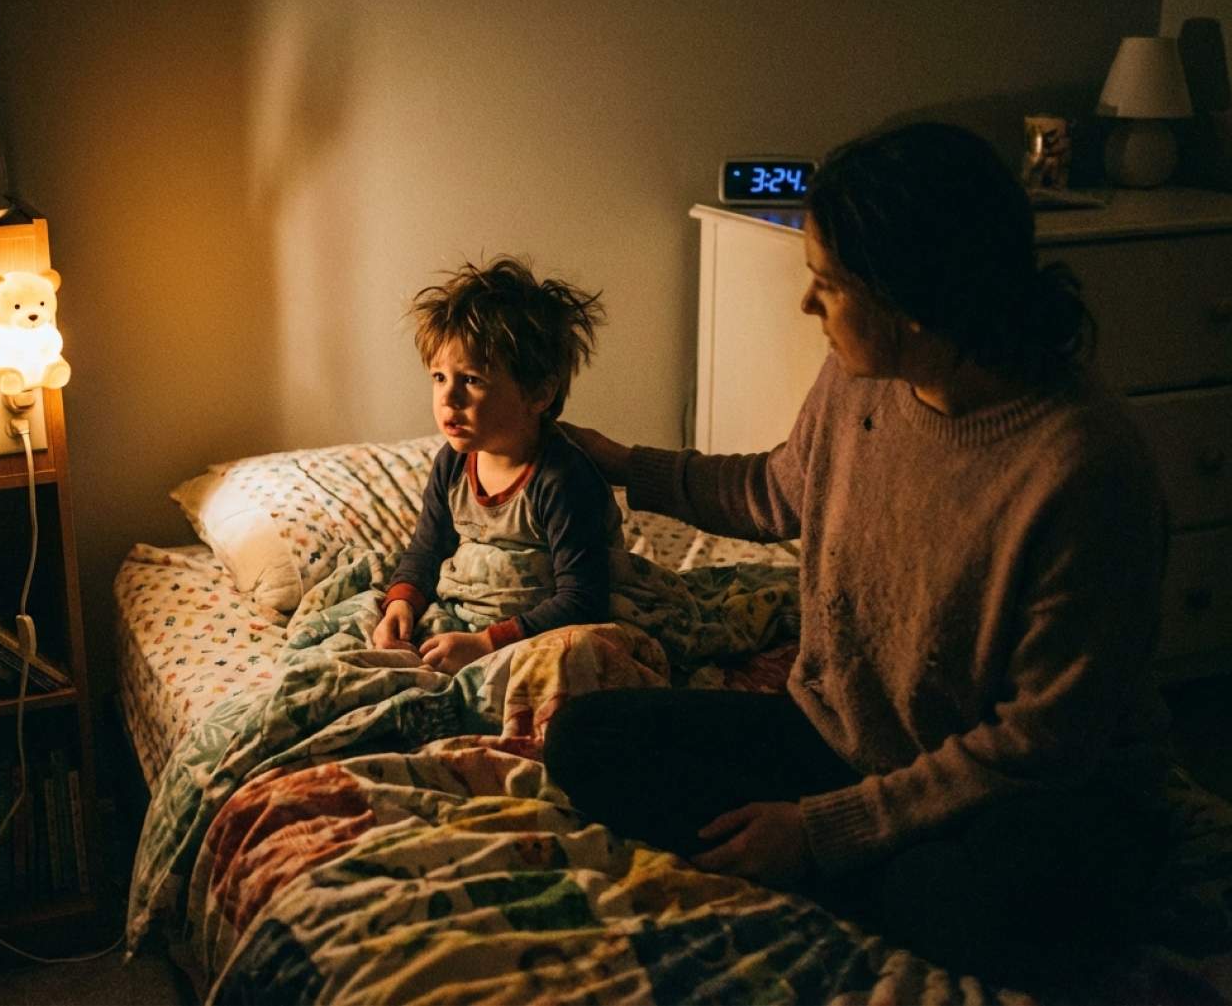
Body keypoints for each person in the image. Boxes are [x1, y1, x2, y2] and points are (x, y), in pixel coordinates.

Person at [545, 121, 1171, 984]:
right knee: (585, 739)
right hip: (843, 737)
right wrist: (626, 466)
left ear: (912, 301)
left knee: (977, 897)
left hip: (1020, 792)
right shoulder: (861, 378)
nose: (809, 306)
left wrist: (821, 832)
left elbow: (1042, 740)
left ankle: (856, 867)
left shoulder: (1081, 465)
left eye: (827, 285)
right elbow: (778, 490)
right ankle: (858, 866)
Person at [373, 256, 616, 675]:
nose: (448, 398)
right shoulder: (452, 464)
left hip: (533, 631)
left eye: (471, 380)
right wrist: (401, 601)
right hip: (466, 610)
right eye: (439, 378)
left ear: (538, 394)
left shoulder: (561, 479)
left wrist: (487, 643)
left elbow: (584, 597)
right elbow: (428, 548)